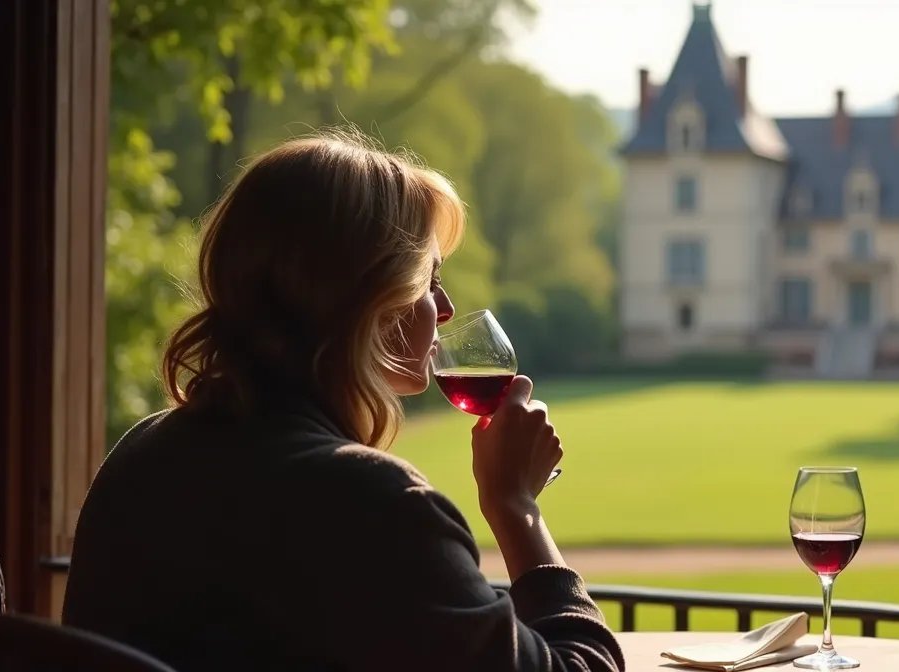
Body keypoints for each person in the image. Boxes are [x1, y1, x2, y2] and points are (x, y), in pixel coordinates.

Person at [61, 131, 624, 672]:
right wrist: (516, 506)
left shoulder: (144, 453)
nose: (445, 308)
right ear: (371, 299)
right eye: (428, 280)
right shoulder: (374, 505)